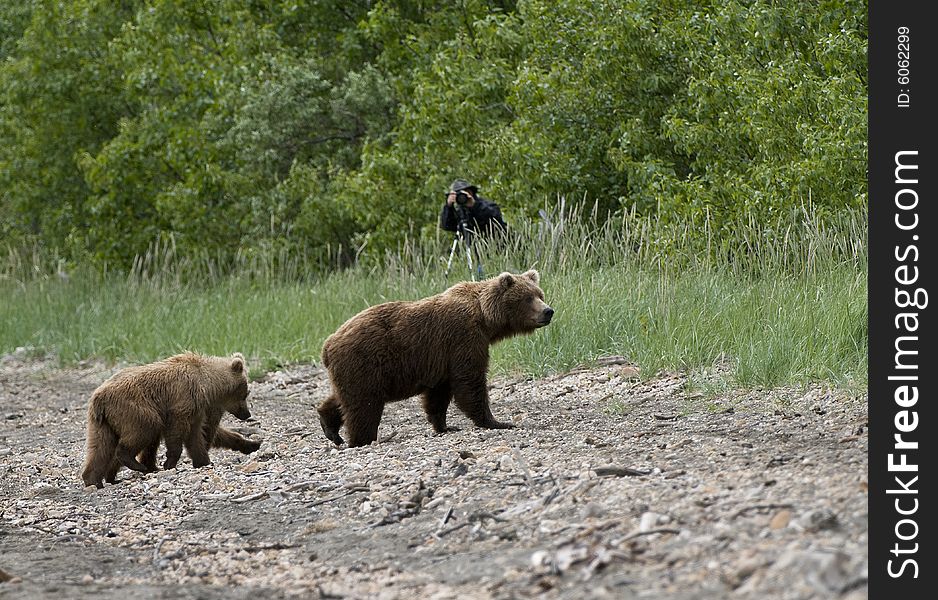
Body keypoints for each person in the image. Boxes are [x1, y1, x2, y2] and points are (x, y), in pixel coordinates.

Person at [439, 179, 507, 241]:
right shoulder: (460, 212)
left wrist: (474, 206)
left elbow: (495, 219)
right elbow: (446, 226)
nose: (462, 197)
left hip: (495, 244)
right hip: (474, 249)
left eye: (465, 192)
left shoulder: (487, 205)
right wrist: (449, 206)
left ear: (471, 192)